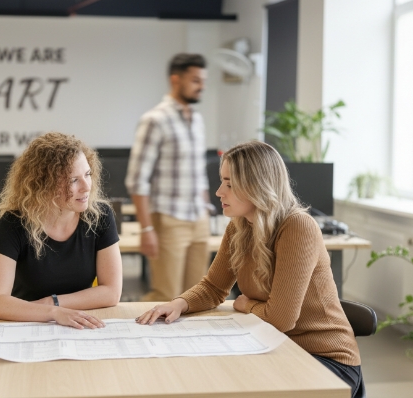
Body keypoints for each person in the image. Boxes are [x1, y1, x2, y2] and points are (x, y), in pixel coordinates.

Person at [136, 140, 365, 397]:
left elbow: (281, 318)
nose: (219, 192)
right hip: (274, 345)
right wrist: (179, 303)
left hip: (325, 359)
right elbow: (213, 287)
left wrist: (247, 305)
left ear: (257, 186)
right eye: (222, 181)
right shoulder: (239, 226)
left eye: (230, 184)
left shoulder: (297, 227)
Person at [0, 132, 122, 329]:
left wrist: (53, 302)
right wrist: (53, 313)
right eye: (74, 180)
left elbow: (111, 292)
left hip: (79, 324)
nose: (86, 187)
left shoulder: (100, 216)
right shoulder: (14, 223)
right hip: (25, 324)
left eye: (87, 174)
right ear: (44, 184)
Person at [125, 53, 212, 302]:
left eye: (203, 80)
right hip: (168, 219)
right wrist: (147, 228)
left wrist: (207, 206)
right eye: (195, 80)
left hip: (199, 217)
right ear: (176, 80)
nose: (201, 86)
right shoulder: (155, 120)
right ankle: (137, 333)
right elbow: (137, 179)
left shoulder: (197, 119)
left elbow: (199, 172)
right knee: (166, 295)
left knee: (197, 295)